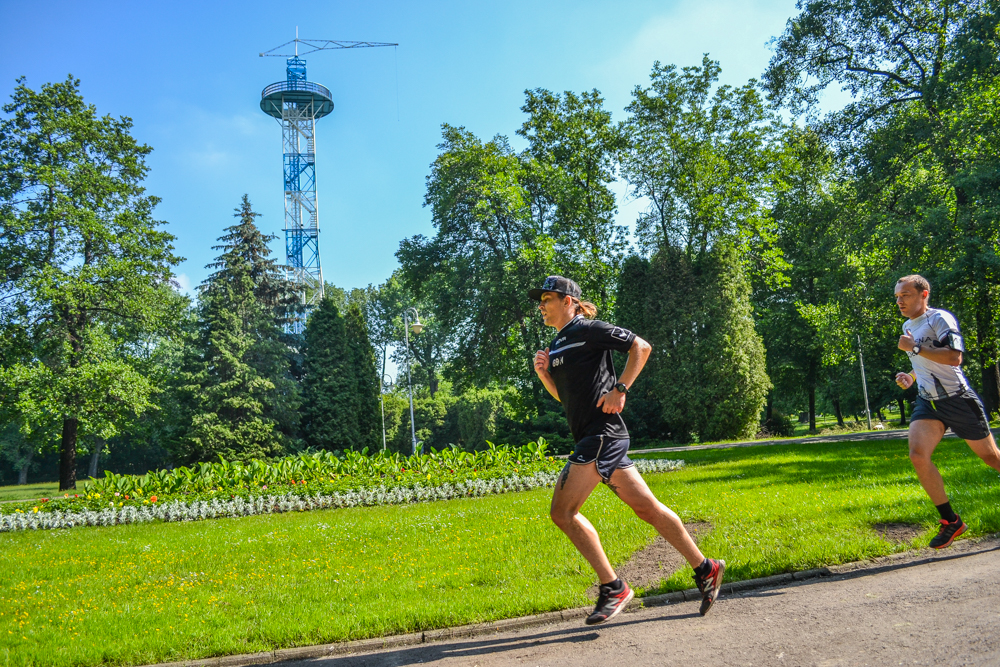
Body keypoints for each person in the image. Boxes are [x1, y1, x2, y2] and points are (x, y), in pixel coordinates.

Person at [529, 275, 725, 625]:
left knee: (563, 512)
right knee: (647, 508)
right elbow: (567, 399)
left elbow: (641, 347)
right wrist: (545, 375)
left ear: (568, 301)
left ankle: (613, 587)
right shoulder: (557, 344)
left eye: (547, 299)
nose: (541, 306)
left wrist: (620, 388)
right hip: (594, 436)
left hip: (601, 435)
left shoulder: (589, 329)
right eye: (540, 301)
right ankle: (706, 568)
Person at [893, 274, 1000, 548]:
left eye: (905, 295)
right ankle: (951, 521)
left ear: (923, 294)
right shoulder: (908, 325)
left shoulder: (940, 319)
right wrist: (911, 377)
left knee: (992, 458)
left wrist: (915, 347)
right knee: (918, 456)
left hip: (957, 399)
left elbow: (954, 357)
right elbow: (924, 361)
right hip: (928, 402)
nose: (900, 301)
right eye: (897, 297)